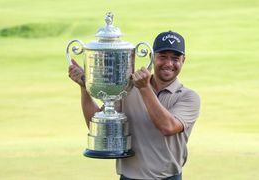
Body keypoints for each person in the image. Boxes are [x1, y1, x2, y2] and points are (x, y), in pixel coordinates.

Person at [68, 31, 200, 180]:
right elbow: (100, 127)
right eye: (163, 57)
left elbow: (168, 127)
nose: (169, 63)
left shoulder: (188, 97)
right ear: (151, 57)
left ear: (183, 60)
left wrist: (144, 88)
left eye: (175, 58)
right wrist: (84, 88)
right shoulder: (128, 88)